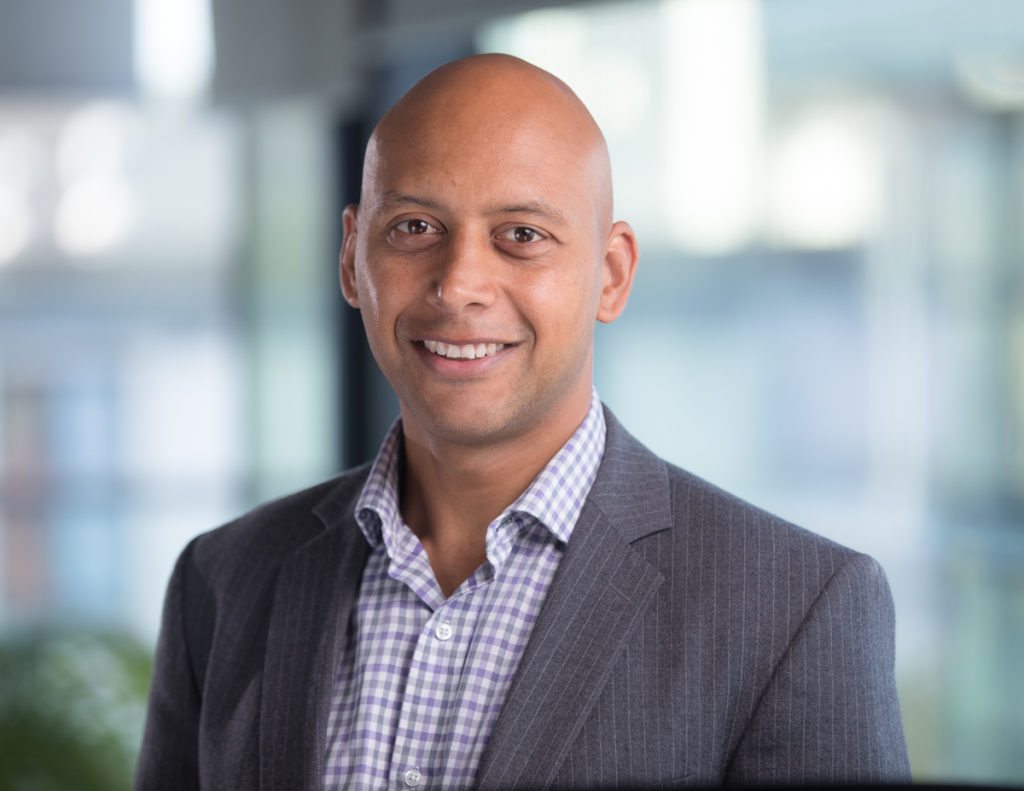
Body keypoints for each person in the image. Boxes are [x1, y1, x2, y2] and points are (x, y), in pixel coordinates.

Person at [136, 54, 911, 790]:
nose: (460, 283)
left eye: (523, 236)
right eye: (414, 227)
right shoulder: (223, 580)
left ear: (610, 276)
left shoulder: (794, 610)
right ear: (351, 259)